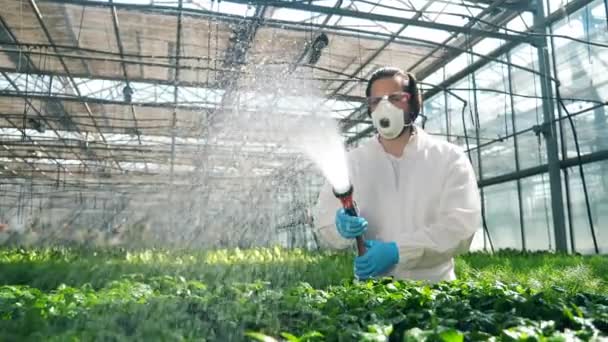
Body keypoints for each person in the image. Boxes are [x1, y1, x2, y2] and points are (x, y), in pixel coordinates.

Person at [312, 67, 481, 284]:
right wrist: (337, 227)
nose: (385, 107)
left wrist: (398, 251)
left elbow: (461, 227)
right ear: (370, 109)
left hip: (434, 293)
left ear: (413, 103)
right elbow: (324, 225)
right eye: (376, 101)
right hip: (372, 296)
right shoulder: (352, 163)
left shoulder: (448, 158)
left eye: (395, 98)